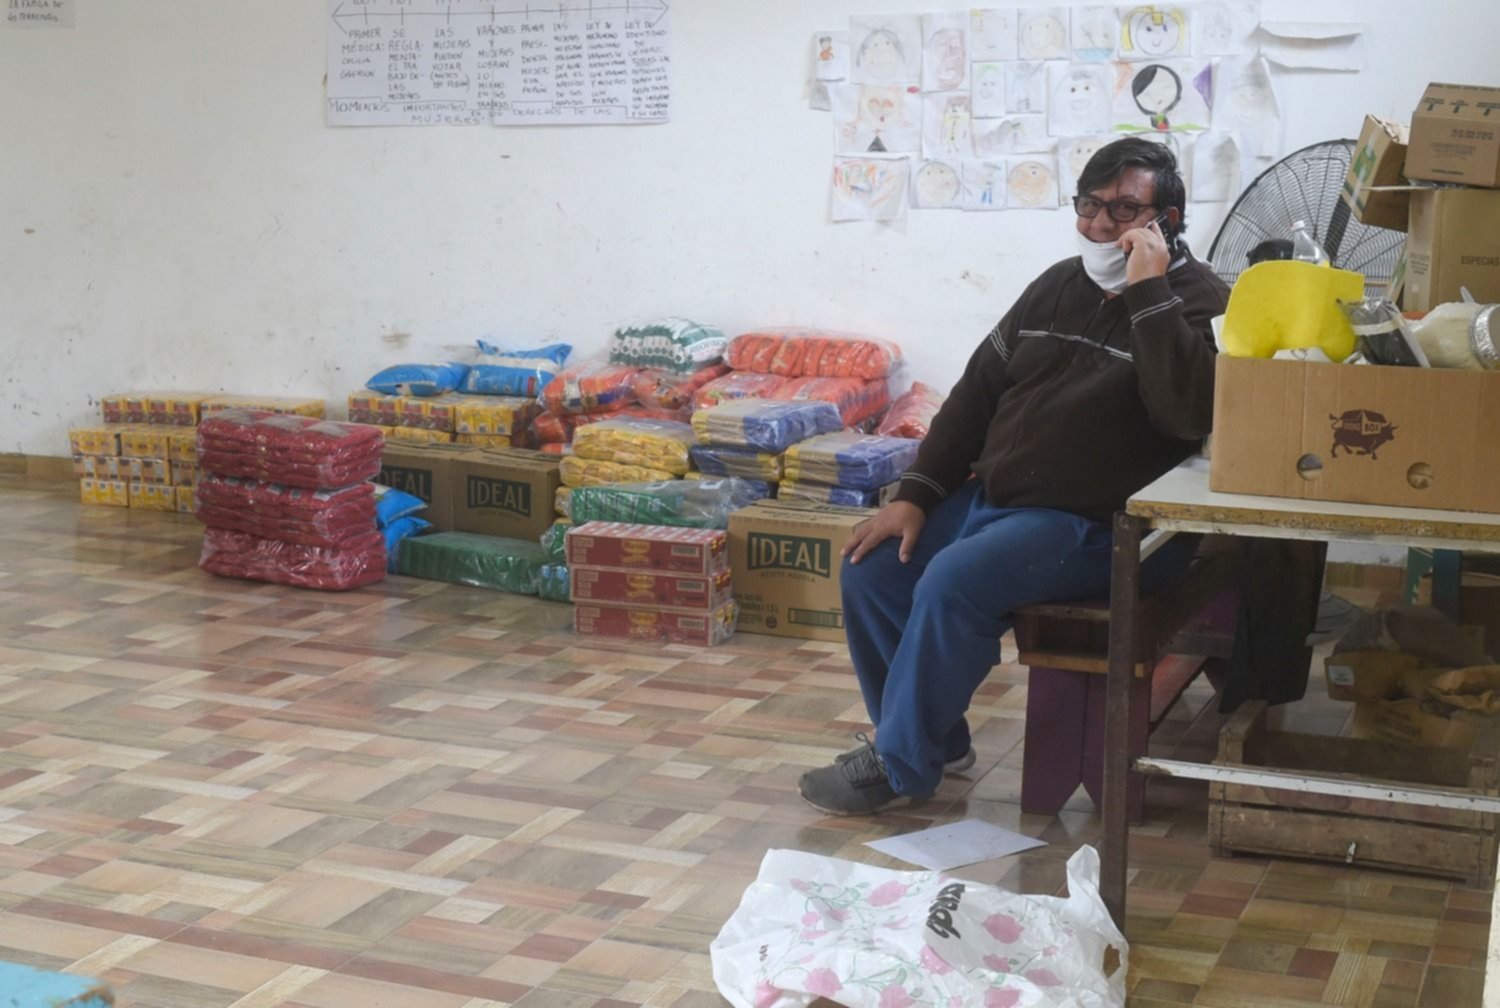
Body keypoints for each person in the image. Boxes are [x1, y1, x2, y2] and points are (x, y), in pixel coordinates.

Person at [798, 137, 1230, 816]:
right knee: (873, 567)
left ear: (1166, 221)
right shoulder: (1059, 285)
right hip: (1000, 500)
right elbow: (976, 394)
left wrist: (1149, 292)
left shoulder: (1201, 302)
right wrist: (916, 496)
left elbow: (1186, 414)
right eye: (1088, 205)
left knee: (955, 580)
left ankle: (900, 764)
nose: (1099, 225)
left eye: (1123, 209)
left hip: (1102, 526)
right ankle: (937, 742)